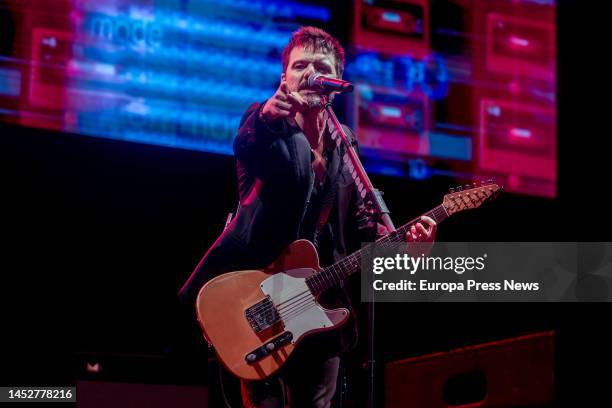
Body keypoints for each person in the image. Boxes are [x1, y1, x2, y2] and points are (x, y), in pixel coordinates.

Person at [178, 26, 436, 408]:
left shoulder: (343, 141)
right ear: (284, 78)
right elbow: (248, 144)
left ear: (335, 81)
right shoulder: (267, 125)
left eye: (320, 66)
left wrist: (410, 247)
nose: (309, 73)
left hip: (318, 305)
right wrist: (265, 116)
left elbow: (363, 229)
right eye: (300, 66)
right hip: (258, 303)